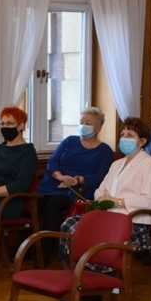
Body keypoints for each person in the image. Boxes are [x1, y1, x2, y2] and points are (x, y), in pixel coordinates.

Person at [60, 117, 151, 256]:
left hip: (132, 220)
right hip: (109, 215)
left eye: (130, 135)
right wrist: (102, 199)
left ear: (142, 142)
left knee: (89, 234)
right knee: (69, 224)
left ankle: (91, 266)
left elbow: (149, 201)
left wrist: (117, 202)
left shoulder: (149, 163)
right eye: (123, 134)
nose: (124, 138)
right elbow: (100, 190)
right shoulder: (116, 164)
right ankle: (71, 265)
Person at [36, 107, 113, 260]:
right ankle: (30, 248)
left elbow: (100, 176)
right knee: (34, 204)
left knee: (53, 205)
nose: (83, 125)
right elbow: (52, 162)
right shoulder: (69, 141)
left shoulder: (104, 150)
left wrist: (77, 180)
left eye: (88, 123)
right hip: (54, 184)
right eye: (81, 122)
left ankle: (44, 252)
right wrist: (60, 177)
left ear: (98, 128)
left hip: (78, 190)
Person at [0, 105, 37, 221]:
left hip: (8, 202)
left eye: (9, 123)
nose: (5, 127)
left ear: (21, 125)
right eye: (2, 124)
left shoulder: (28, 153)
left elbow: (21, 185)